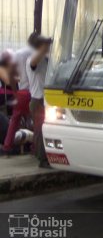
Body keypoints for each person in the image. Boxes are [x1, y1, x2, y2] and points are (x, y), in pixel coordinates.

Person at [26, 33, 52, 168]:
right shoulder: (33, 59)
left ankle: (46, 156)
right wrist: (44, 45)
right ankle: (42, 160)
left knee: (45, 130)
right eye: (44, 45)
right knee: (40, 131)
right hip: (38, 99)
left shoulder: (46, 59)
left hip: (46, 99)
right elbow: (34, 63)